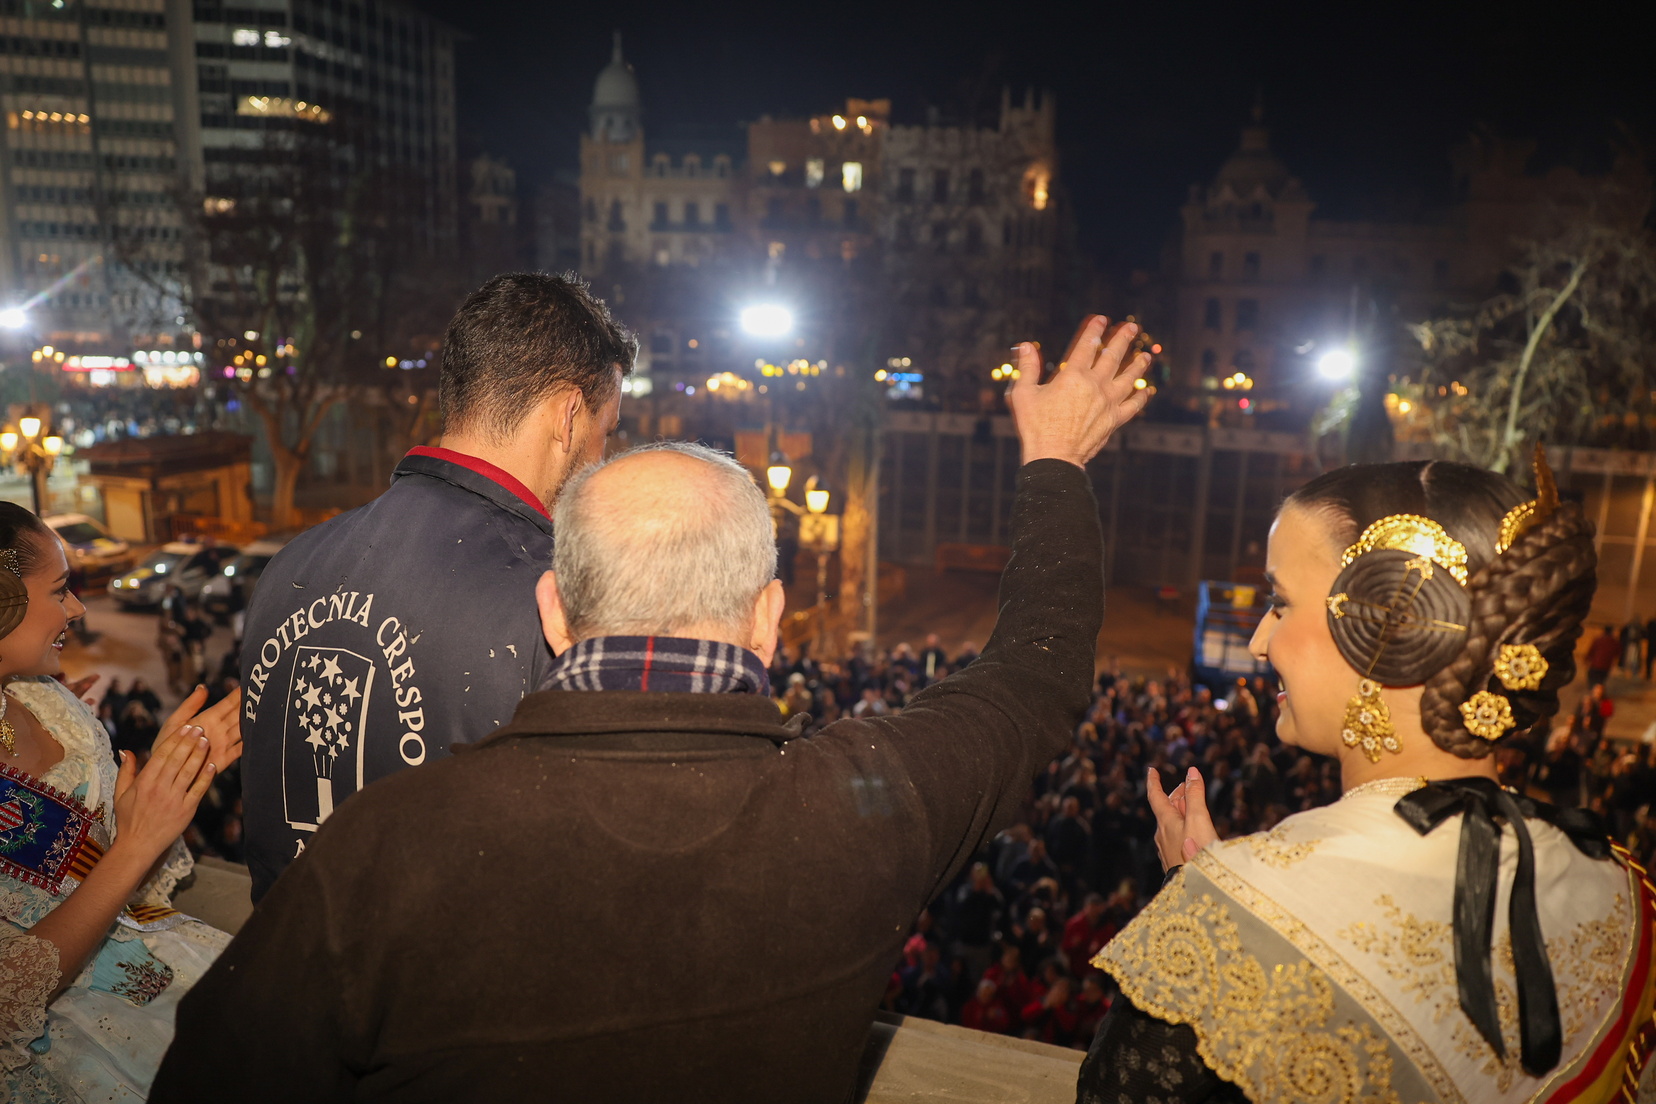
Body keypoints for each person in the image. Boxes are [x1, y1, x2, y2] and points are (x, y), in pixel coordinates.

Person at [152, 314, 1153, 1102]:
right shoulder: (864, 807)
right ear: (768, 623)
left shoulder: (386, 841)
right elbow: (1035, 678)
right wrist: (1056, 458)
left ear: (554, 609)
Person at [1078, 451, 1652, 1103]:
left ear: (1392, 628)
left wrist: (1215, 906)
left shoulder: (1234, 909)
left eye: (1281, 602)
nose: (1259, 642)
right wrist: (1232, 894)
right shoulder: (1624, 890)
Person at [238, 272, 634, 901]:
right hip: (447, 983)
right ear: (567, 415)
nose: (601, 455)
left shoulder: (291, 563)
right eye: (605, 430)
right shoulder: (557, 595)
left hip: (286, 962)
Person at [0, 504, 243, 1099]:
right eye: (60, 591)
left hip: (143, 943)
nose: (78, 610)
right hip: (63, 1033)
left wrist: (168, 777)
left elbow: (114, 870)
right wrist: (135, 846)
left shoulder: (48, 701)